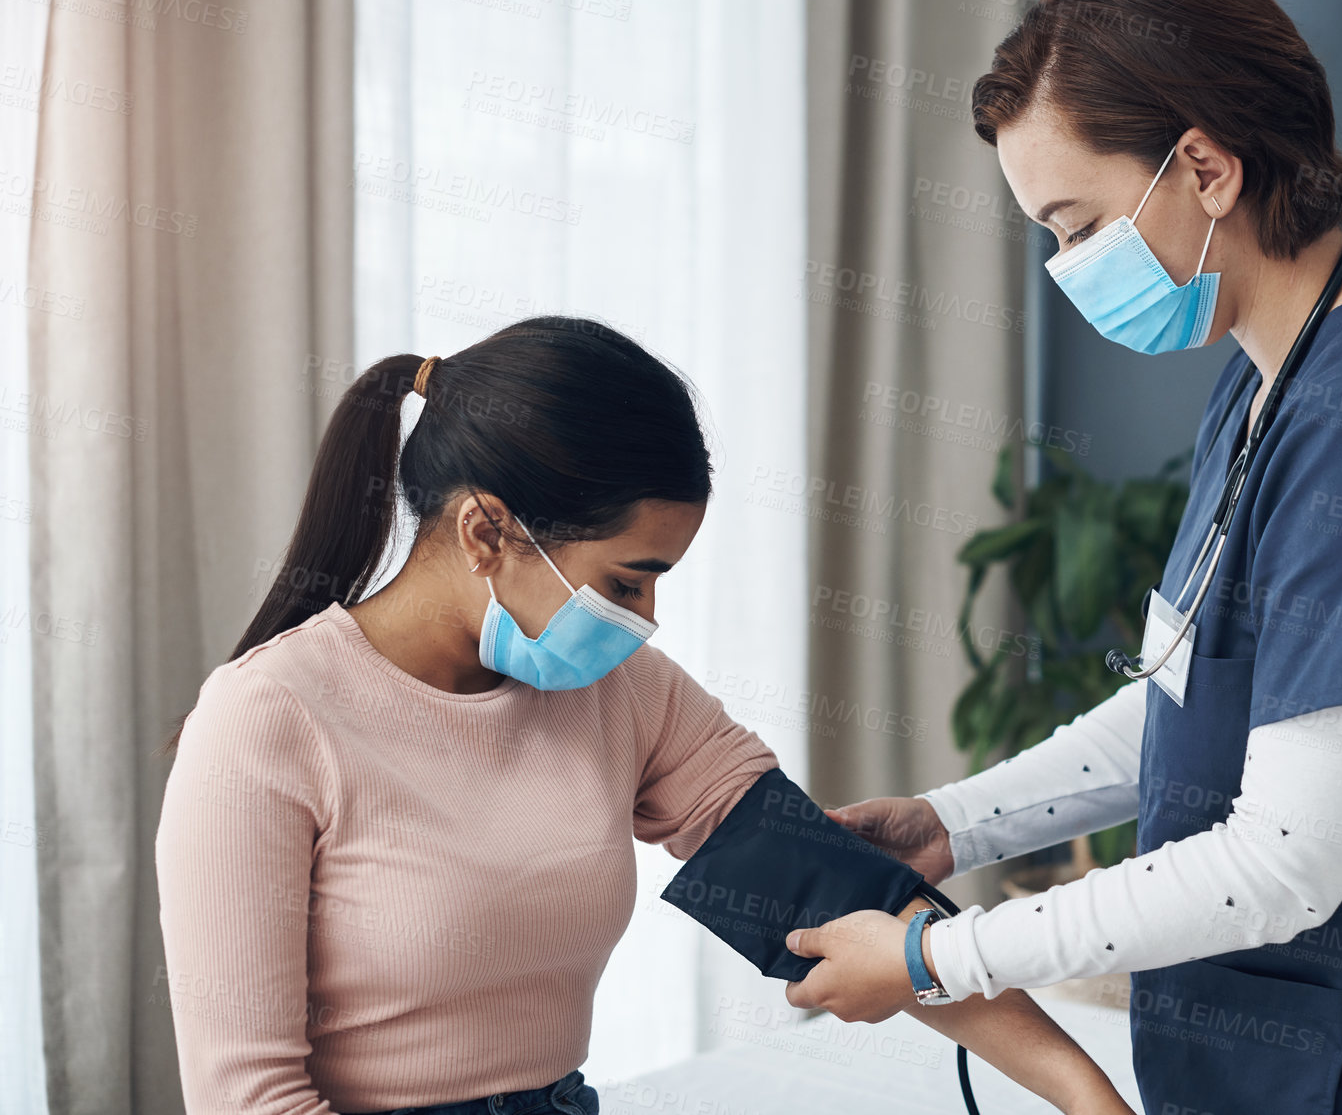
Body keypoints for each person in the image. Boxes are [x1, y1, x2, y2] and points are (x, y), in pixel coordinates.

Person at [782, 0, 1342, 1114]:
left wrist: (933, 961)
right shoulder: (1261, 379)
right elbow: (1184, 703)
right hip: (1256, 1054)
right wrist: (955, 821)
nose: (1067, 267)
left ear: (1201, 166)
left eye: (1077, 221)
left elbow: (1283, 859)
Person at [153, 317, 1138, 1115]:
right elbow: (251, 1097)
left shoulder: (623, 693)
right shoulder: (268, 722)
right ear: (485, 529)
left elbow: (837, 894)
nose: (646, 619)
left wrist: (1083, 1096)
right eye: (626, 579)